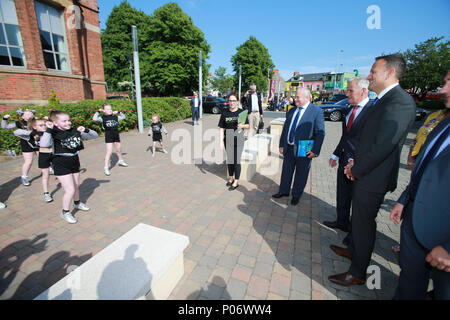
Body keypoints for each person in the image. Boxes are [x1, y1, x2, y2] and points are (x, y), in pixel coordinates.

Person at [328, 54, 416, 287]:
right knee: (358, 220)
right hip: (365, 171)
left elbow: (383, 144)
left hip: (374, 177)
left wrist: (357, 168)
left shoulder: (400, 102)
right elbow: (368, 139)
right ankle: (355, 252)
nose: (369, 76)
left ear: (389, 73)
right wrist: (353, 162)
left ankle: (357, 272)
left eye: (373, 72)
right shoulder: (383, 100)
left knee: (364, 223)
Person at [390, 70, 450, 300]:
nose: (443, 89)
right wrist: (405, 199)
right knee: (408, 285)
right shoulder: (442, 122)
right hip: (414, 221)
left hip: (444, 238)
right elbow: (424, 168)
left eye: (449, 83)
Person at [323, 77, 374, 236]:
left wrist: (357, 162)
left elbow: (373, 142)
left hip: (359, 165)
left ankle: (353, 232)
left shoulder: (373, 111)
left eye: (351, 91)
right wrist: (336, 154)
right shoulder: (350, 110)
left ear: (364, 91)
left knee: (357, 200)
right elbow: (345, 137)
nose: (347, 94)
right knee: (342, 193)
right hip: (344, 160)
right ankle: (341, 222)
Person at [40, 111, 98, 224]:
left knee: (76, 186)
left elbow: (94, 135)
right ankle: (65, 212)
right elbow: (43, 144)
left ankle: (77, 203)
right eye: (64, 121)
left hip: (74, 160)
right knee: (70, 189)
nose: (68, 123)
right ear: (55, 123)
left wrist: (85, 129)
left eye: (69, 120)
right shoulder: (53, 132)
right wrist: (48, 130)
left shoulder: (74, 131)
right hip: (61, 162)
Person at [272, 87, 325, 205]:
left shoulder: (316, 111)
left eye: (297, 97)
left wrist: (315, 150)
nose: (294, 99)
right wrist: (281, 144)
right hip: (289, 147)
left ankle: (296, 195)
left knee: (301, 173)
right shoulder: (292, 110)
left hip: (305, 148)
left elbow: (320, 133)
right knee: (286, 171)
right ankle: (284, 191)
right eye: (295, 97)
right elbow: (286, 128)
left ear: (306, 98)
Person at [219, 94, 249, 191]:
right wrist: (220, 142)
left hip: (239, 139)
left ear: (237, 101)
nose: (232, 103)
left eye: (234, 101)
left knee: (236, 160)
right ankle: (231, 177)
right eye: (230, 101)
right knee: (230, 160)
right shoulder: (224, 113)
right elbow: (221, 128)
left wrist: (242, 126)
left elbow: (248, 125)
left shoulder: (242, 112)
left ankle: (236, 181)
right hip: (228, 139)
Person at [1, 109, 37, 186]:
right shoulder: (19, 123)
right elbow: (5, 126)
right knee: (29, 161)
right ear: (22, 116)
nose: (29, 115)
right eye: (27, 114)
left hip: (38, 142)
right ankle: (24, 177)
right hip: (26, 143)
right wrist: (4, 119)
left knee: (45, 157)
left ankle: (51, 169)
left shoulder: (37, 121)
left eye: (30, 113)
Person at [92, 104, 128, 176]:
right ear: (104, 110)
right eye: (107, 109)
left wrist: (118, 112)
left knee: (119, 149)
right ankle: (106, 167)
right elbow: (94, 118)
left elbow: (123, 117)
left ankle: (120, 160)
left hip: (116, 135)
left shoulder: (115, 117)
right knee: (109, 151)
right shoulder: (103, 118)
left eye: (110, 109)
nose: (110, 110)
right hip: (109, 136)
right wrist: (98, 112)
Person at [29, 118, 54, 202]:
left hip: (54, 154)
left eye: (44, 124)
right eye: (41, 125)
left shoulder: (50, 131)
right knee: (45, 175)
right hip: (44, 155)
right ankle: (46, 193)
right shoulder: (35, 134)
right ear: (35, 127)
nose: (44, 126)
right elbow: (36, 143)